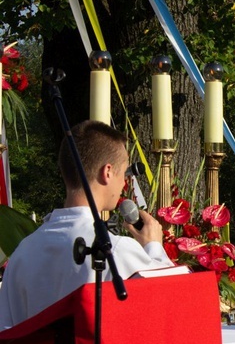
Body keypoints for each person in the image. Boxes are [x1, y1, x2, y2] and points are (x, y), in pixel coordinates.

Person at [0, 120, 174, 329]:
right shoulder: (114, 249)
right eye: (124, 172)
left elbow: (6, 332)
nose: (124, 183)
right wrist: (154, 246)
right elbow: (170, 301)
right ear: (107, 172)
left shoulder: (22, 252)